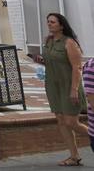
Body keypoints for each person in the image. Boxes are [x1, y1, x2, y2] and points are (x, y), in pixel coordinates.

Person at [34, 12, 86, 166]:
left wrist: (74, 89)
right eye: (48, 22)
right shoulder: (48, 41)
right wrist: (41, 61)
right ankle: (74, 156)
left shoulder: (69, 43)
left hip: (69, 86)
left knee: (72, 122)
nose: (49, 24)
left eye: (53, 22)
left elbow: (77, 68)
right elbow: (52, 62)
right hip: (53, 86)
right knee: (61, 121)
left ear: (61, 25)